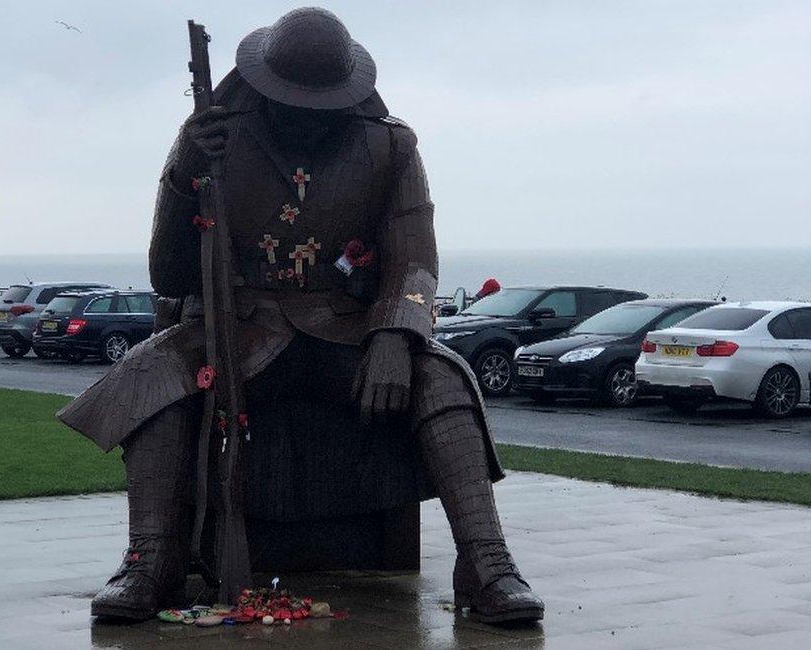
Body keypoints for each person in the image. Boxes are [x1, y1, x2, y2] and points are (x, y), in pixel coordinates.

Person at [58, 7, 543, 625]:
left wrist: (394, 333)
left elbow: (413, 258)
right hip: (239, 332)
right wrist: (182, 174)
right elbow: (170, 276)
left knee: (444, 378)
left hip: (344, 333)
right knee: (153, 373)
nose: (307, 117)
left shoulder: (391, 148)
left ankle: (487, 562)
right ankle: (151, 560)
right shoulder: (212, 139)